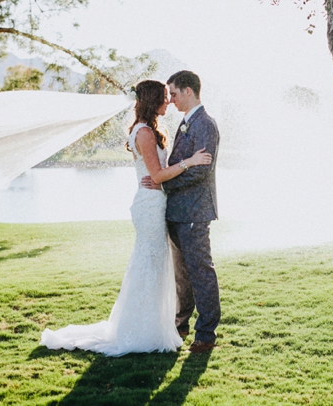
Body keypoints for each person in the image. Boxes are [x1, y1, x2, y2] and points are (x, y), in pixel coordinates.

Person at [40, 79, 212, 356]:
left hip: (157, 201)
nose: (169, 101)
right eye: (165, 97)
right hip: (150, 204)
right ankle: (140, 330)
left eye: (171, 96)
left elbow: (158, 173)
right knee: (149, 263)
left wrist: (171, 173)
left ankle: (153, 326)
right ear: (153, 100)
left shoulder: (149, 129)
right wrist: (189, 162)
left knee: (153, 264)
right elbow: (156, 176)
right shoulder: (144, 132)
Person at [143, 70, 221, 354]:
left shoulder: (205, 125)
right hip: (177, 212)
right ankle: (181, 324)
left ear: (188, 91)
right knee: (182, 275)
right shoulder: (186, 123)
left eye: (174, 94)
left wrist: (164, 183)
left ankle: (206, 333)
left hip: (194, 211)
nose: (171, 100)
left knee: (201, 272)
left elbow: (201, 171)